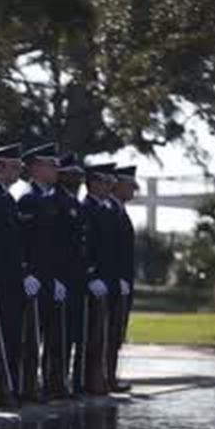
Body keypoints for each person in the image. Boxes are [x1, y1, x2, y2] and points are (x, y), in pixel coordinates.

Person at [16, 142, 69, 401]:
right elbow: (22, 242)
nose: (55, 170)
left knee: (51, 335)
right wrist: (26, 272)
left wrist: (57, 277)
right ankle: (27, 386)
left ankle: (47, 384)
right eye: (50, 164)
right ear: (36, 167)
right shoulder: (28, 199)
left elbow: (54, 247)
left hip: (49, 278)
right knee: (31, 338)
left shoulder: (49, 201)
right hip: (34, 279)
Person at [0, 142, 36, 409]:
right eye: (15, 166)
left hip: (13, 279)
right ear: (1, 166)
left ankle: (9, 387)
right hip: (0, 279)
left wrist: (24, 272)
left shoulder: (6, 197)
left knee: (13, 336)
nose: (18, 171)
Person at [81, 162, 120, 395]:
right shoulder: (87, 208)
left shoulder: (105, 210)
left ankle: (100, 377)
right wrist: (92, 275)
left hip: (106, 281)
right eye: (105, 181)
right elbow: (85, 247)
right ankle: (88, 380)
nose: (109, 186)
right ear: (93, 183)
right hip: (93, 282)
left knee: (102, 335)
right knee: (91, 336)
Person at [55, 153, 90, 396]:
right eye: (72, 174)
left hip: (77, 279)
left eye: (79, 175)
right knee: (60, 336)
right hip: (62, 277)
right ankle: (56, 382)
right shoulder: (57, 201)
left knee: (76, 333)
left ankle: (73, 380)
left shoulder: (75, 204)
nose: (77, 179)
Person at [109, 165, 139, 393]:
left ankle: (108, 375)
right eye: (129, 186)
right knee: (106, 332)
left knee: (116, 332)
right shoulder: (109, 210)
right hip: (111, 283)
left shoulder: (119, 211)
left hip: (123, 283)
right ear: (116, 185)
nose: (133, 191)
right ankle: (102, 376)